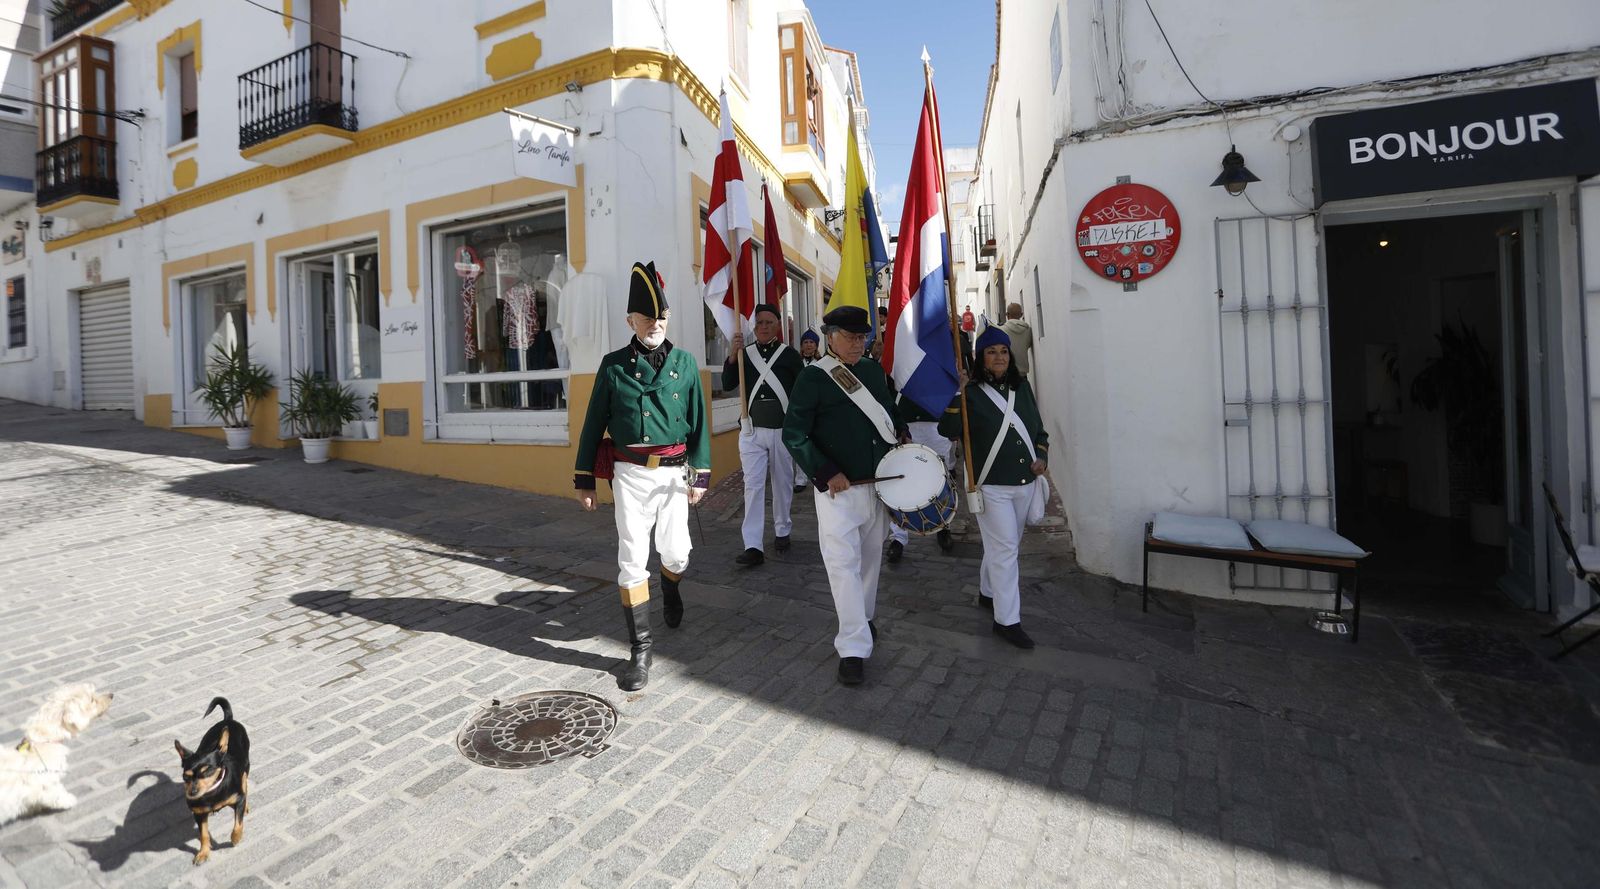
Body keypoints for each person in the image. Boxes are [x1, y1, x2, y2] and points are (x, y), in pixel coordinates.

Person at [574, 261, 710, 690]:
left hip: (673, 475)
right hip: (629, 473)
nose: (656, 324)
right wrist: (585, 478)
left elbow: (699, 422)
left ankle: (671, 587)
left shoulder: (686, 363)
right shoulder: (613, 366)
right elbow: (593, 422)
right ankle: (641, 650)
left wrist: (700, 476)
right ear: (630, 320)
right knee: (632, 557)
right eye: (648, 317)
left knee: (677, 554)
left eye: (662, 317)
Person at [784, 305, 908, 686]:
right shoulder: (815, 379)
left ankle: (864, 619)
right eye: (851, 337)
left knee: (870, 561)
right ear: (830, 335)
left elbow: (888, 415)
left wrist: (903, 438)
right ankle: (853, 647)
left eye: (862, 338)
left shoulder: (872, 371)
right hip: (839, 489)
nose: (858, 344)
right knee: (842, 565)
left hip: (877, 484)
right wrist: (825, 471)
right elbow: (795, 434)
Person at [939, 326, 1048, 650]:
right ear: (980, 358)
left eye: (1003, 351)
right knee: (1005, 551)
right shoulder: (970, 393)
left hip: (1024, 483)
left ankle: (988, 593)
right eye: (991, 352)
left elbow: (1038, 431)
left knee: (1004, 545)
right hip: (990, 486)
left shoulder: (1022, 387)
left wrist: (1040, 457)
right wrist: (958, 393)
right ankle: (1007, 620)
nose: (999, 357)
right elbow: (948, 428)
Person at [725, 303, 803, 566]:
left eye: (769, 322)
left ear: (778, 325)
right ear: (754, 326)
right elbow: (727, 384)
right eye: (759, 323)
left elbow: (801, 393)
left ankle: (782, 530)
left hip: (781, 429)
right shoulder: (745, 354)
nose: (764, 327)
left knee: (782, 483)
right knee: (753, 486)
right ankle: (753, 545)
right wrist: (732, 356)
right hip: (751, 430)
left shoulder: (790, 356)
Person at [885, 391, 956, 563]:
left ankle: (943, 525)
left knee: (939, 479)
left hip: (936, 419)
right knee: (900, 481)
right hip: (904, 416)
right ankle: (898, 537)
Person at [998, 302, 1034, 379]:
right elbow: (1028, 345)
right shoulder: (1028, 331)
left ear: (1007, 314)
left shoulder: (1001, 331)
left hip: (1006, 373)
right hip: (1022, 374)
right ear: (1021, 314)